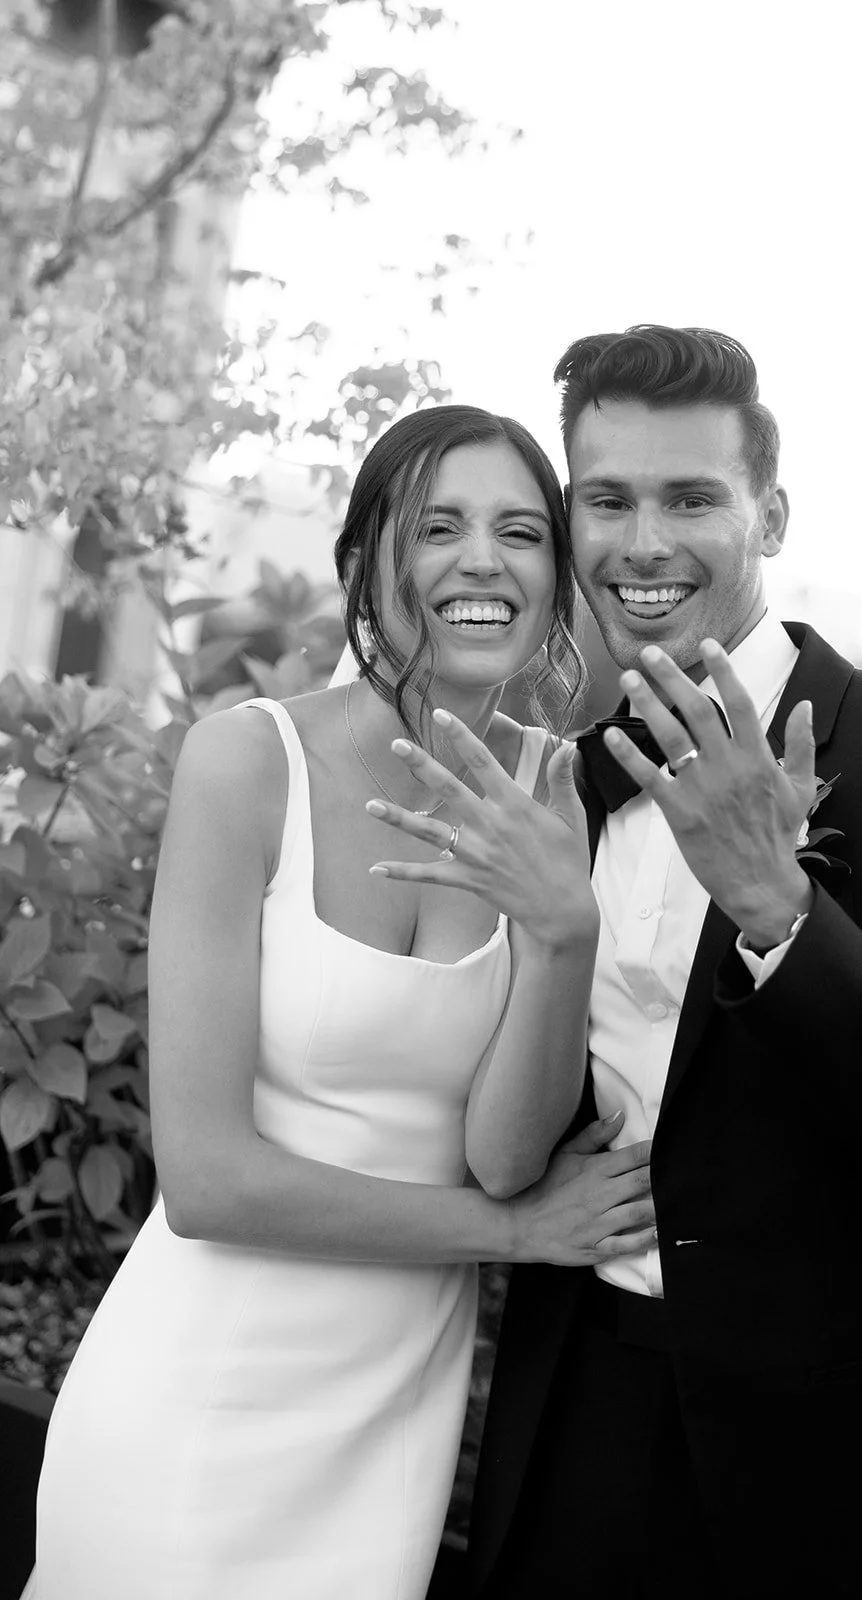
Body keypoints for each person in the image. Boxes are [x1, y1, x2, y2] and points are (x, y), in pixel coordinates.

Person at [382, 328, 862, 1598]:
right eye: (608, 499)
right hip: (577, 1415)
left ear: (770, 514)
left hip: (832, 1465)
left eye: (691, 498)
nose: (644, 543)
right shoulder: (563, 773)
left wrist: (777, 907)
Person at [33, 405, 656, 1600]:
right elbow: (207, 1182)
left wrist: (565, 929)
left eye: (522, 530)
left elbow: (503, 1150)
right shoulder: (248, 761)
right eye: (441, 525)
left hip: (387, 1428)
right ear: (367, 560)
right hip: (195, 1404)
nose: (485, 558)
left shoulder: (551, 796)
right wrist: (513, 1237)